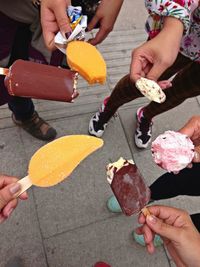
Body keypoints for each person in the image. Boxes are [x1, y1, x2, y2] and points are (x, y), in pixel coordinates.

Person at [0, 0, 124, 141]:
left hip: (65, 17)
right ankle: (24, 115)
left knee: (39, 71)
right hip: (10, 14)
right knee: (12, 79)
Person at [88, 0, 200, 149]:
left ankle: (146, 116)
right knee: (142, 81)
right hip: (185, 35)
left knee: (179, 92)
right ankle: (109, 107)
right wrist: (173, 25)